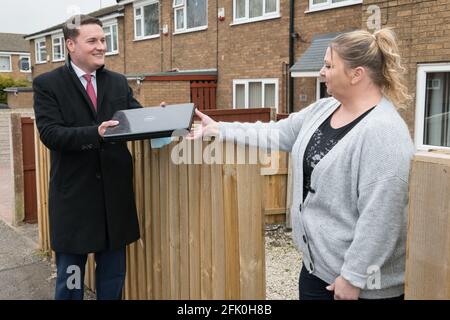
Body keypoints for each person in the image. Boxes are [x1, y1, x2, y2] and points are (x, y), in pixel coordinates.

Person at [189, 28, 414, 300]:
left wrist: (354, 276)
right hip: (316, 270)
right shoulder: (324, 109)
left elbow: (382, 215)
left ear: (357, 74)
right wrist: (220, 128)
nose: (321, 72)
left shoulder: (384, 132)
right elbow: (276, 132)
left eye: (329, 66)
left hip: (357, 287)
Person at [33, 15, 142, 300]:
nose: (101, 47)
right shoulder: (48, 84)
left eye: (103, 40)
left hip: (114, 204)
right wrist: (96, 133)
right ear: (71, 45)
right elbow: (51, 134)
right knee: (71, 284)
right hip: (75, 205)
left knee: (113, 281)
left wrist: (162, 118)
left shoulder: (118, 83)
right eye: (92, 40)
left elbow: (137, 119)